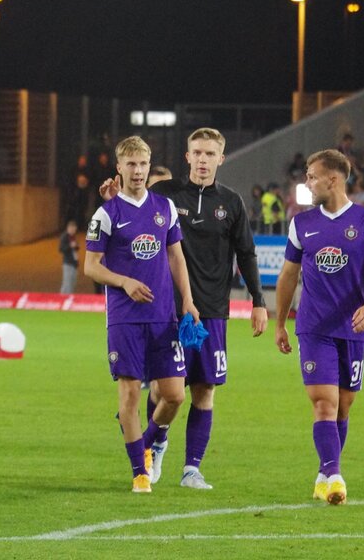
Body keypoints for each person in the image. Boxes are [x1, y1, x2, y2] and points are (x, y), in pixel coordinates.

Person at [136, 128, 267, 489]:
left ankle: (191, 469)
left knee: (205, 389)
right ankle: (154, 444)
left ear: (221, 159)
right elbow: (133, 218)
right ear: (187, 156)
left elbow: (246, 254)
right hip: (167, 307)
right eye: (197, 152)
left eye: (210, 154)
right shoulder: (164, 194)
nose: (203, 160)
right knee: (164, 390)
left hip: (212, 310)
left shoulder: (231, 202)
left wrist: (258, 301)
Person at [84, 135, 198, 493]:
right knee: (131, 395)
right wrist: (124, 282)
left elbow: (176, 256)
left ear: (149, 166)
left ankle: (150, 442)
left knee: (175, 395)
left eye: (143, 164)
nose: (137, 170)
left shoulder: (164, 207)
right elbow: (91, 266)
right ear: (119, 167)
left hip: (164, 316)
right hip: (125, 318)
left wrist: (188, 300)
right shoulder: (106, 214)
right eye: (131, 164)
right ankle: (140, 473)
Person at [274, 149, 364, 506]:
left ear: (333, 179)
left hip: (354, 327)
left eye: (313, 176)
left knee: (343, 406)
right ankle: (334, 475)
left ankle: (323, 475)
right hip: (314, 326)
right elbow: (288, 275)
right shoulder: (301, 223)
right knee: (324, 404)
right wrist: (280, 323)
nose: (308, 182)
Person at [58, 220, 79, 294]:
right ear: (69, 228)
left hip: (74, 263)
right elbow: (61, 249)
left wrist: (76, 246)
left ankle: (63, 298)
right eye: (73, 229)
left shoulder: (72, 237)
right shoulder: (64, 237)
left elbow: (76, 248)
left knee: (72, 283)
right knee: (67, 284)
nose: (74, 230)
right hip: (68, 263)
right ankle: (64, 299)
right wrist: (70, 246)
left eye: (75, 229)